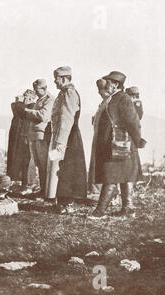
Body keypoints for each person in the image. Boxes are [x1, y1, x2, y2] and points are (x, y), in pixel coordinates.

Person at [91, 71, 147, 217]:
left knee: (111, 176)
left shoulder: (122, 98)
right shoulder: (114, 98)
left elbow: (133, 122)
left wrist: (138, 139)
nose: (106, 85)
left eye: (108, 82)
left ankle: (99, 212)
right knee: (125, 175)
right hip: (119, 145)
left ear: (115, 84)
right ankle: (128, 209)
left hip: (121, 145)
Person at [45, 66, 87, 214]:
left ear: (63, 78)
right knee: (58, 169)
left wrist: (61, 143)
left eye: (56, 78)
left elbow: (66, 119)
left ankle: (66, 203)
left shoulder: (69, 94)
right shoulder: (62, 94)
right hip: (62, 137)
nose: (54, 81)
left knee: (66, 170)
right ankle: (59, 201)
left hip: (68, 138)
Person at [23, 79, 54, 198]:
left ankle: (47, 191)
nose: (35, 93)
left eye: (37, 90)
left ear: (44, 89)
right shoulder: (40, 100)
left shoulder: (49, 100)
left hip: (41, 136)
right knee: (38, 164)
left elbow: (43, 115)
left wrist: (27, 111)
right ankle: (42, 190)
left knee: (43, 163)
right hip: (34, 135)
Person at [6, 89, 37, 194]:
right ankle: (16, 182)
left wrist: (19, 102)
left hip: (25, 137)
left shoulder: (32, 107)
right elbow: (14, 108)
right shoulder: (21, 107)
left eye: (28, 97)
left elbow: (22, 111)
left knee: (26, 160)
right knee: (14, 159)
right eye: (25, 97)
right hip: (16, 137)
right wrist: (18, 102)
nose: (25, 99)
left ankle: (26, 184)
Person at [88, 79, 112, 193]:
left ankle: (102, 190)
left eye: (100, 89)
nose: (99, 92)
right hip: (98, 136)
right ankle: (96, 189)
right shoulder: (103, 103)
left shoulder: (109, 102)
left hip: (104, 138)